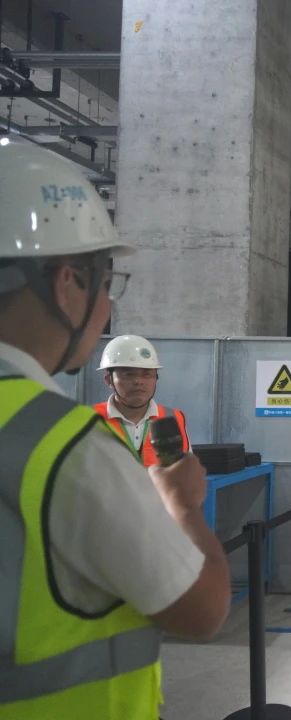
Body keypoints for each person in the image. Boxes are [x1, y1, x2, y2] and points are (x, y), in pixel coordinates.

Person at [0, 140, 230, 717]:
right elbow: (202, 610)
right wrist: (183, 507)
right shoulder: (64, 447)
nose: (105, 306)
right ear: (66, 283)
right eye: (106, 284)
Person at [93, 334, 191, 466]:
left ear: (156, 378)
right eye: (128, 374)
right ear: (108, 380)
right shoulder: (88, 421)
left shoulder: (173, 418)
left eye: (146, 374)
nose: (138, 381)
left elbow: (185, 470)